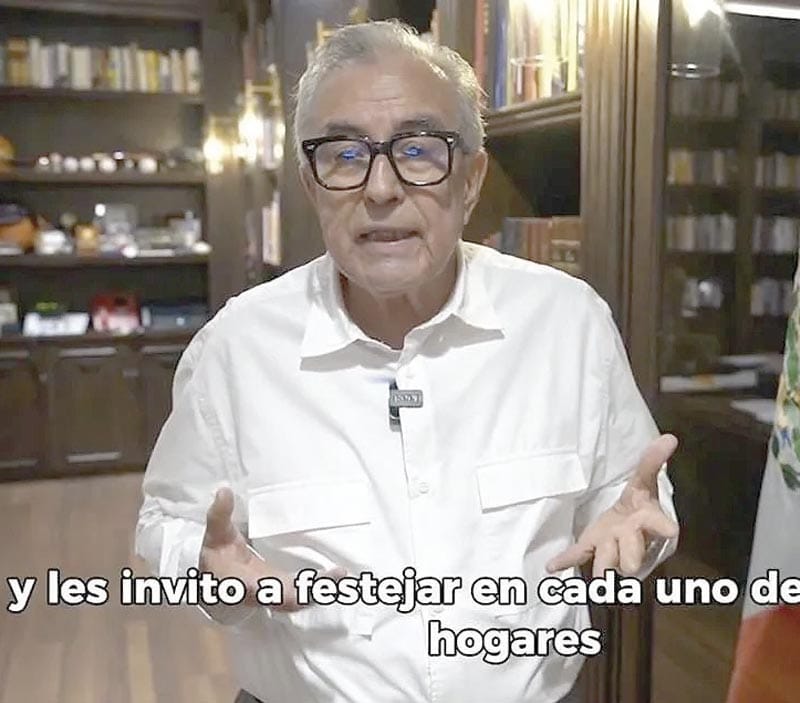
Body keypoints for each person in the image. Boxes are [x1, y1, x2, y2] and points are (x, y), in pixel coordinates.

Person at [135, 19, 679, 703]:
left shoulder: (568, 323)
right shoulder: (236, 349)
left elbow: (628, 501)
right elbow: (169, 522)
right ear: (311, 184)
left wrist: (636, 536)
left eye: (419, 150)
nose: (382, 189)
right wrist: (202, 569)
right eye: (344, 154)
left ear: (472, 179)